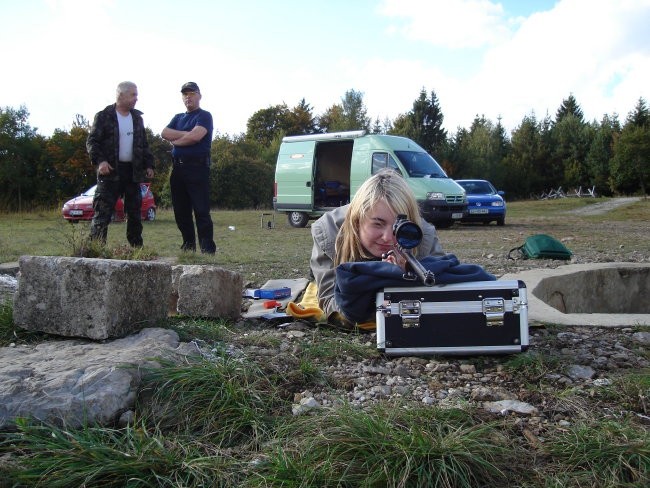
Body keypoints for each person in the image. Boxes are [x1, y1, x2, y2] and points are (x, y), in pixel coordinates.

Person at [310, 169, 445, 323]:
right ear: (357, 221)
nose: (388, 237)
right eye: (378, 224)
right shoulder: (328, 232)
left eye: (398, 227)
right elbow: (331, 304)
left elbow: (443, 294)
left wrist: (407, 275)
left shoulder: (423, 235)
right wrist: (384, 279)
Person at [87, 81, 155, 247]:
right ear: (121, 95)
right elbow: (92, 141)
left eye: (137, 95)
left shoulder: (137, 119)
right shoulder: (104, 116)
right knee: (102, 212)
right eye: (133, 94)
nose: (136, 99)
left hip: (132, 172)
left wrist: (149, 165)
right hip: (110, 172)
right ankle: (96, 250)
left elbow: (143, 144)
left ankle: (136, 249)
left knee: (134, 213)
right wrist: (100, 161)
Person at [161, 82, 216, 254]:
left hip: (197, 168)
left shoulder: (205, 116)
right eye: (185, 94)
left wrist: (177, 140)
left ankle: (207, 249)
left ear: (199, 95)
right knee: (181, 211)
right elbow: (164, 133)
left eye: (191, 93)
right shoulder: (178, 117)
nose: (188, 97)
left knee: (201, 210)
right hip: (178, 169)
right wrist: (187, 135)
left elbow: (196, 137)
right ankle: (188, 245)